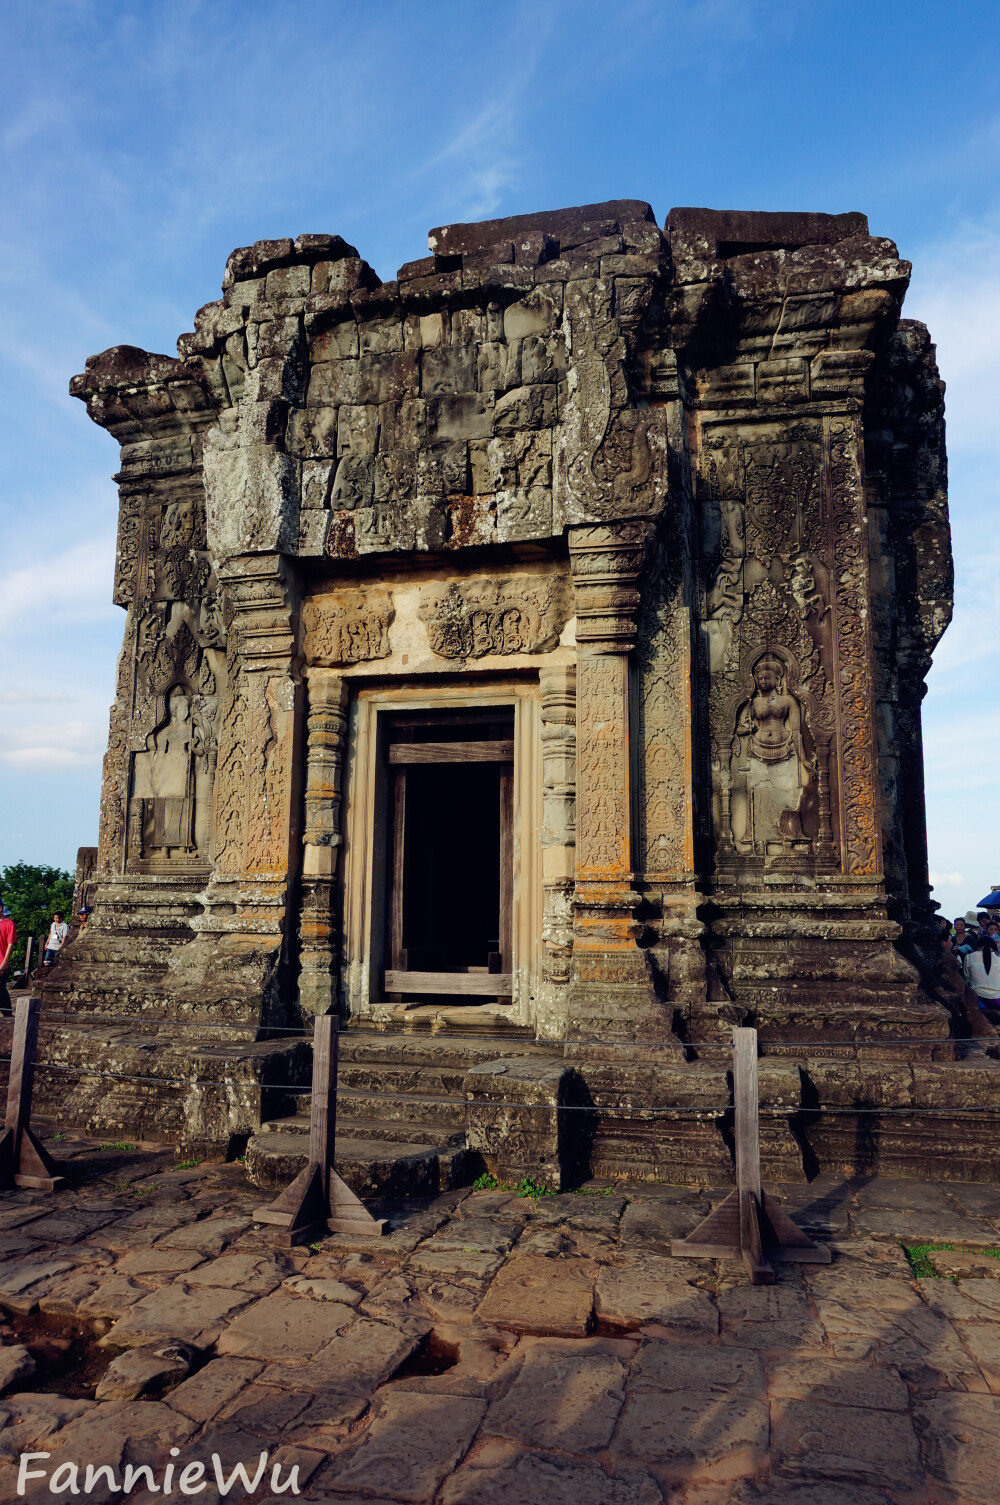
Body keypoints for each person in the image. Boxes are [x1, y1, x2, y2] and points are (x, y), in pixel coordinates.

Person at [963, 935, 1000, 1010]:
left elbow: (966, 978)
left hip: (978, 999)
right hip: (997, 1000)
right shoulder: (999, 960)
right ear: (993, 948)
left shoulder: (969, 957)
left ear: (978, 946)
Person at [0, 901, 16, 1017]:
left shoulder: (9, 924)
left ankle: (7, 1015)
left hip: (1, 962)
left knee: (1, 990)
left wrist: (5, 963)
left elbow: (10, 944)